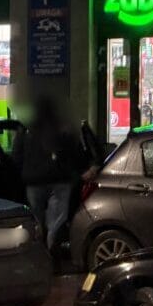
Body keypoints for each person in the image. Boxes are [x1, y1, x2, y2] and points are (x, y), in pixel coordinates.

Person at [14, 99, 95, 250]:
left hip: (34, 181)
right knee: (57, 221)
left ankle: (39, 251)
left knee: (36, 220)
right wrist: (80, 172)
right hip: (59, 180)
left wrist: (24, 173)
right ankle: (52, 251)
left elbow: (17, 154)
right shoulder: (62, 126)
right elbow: (73, 153)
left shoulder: (25, 127)